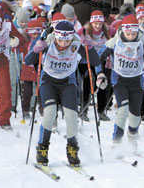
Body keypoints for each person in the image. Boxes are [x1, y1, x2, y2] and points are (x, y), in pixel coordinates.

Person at [25, 20, 101, 167]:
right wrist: (36, 49)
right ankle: (42, 148)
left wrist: (89, 47)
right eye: (60, 40)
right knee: (49, 114)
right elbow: (28, 60)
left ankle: (72, 149)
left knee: (72, 116)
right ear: (56, 36)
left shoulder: (76, 42)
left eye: (67, 40)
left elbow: (96, 61)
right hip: (49, 81)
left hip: (68, 82)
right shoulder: (48, 40)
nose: (63, 44)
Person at [98, 14, 144, 150]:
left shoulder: (143, 41)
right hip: (120, 79)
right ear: (123, 30)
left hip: (136, 80)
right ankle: (116, 140)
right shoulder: (114, 42)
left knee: (135, 115)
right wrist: (100, 73)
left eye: (133, 33)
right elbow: (98, 57)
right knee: (123, 109)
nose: (131, 36)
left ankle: (132, 137)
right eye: (128, 33)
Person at [77, 10, 113, 121]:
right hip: (87, 61)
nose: (97, 26)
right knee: (88, 84)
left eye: (100, 24)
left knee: (102, 85)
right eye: (95, 23)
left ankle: (101, 110)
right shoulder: (84, 31)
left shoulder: (106, 33)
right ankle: (84, 110)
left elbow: (110, 43)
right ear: (91, 23)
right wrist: (83, 44)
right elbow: (77, 45)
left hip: (101, 61)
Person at [19, 19, 43, 122]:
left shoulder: (42, 42)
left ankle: (42, 109)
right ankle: (25, 110)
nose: (35, 35)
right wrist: (15, 43)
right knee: (27, 92)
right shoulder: (25, 41)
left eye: (38, 32)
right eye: (33, 32)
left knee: (41, 90)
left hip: (39, 69)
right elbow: (18, 49)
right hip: (27, 69)